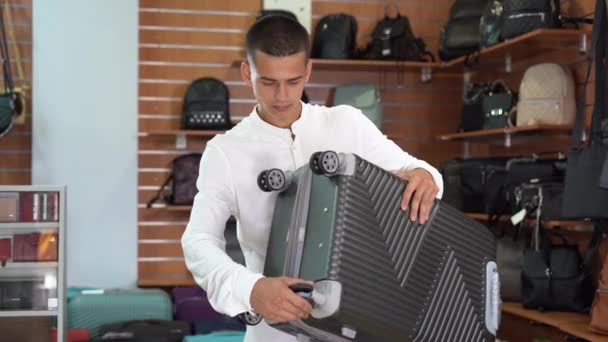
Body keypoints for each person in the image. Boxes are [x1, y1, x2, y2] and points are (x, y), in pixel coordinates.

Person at [181, 15, 443, 342]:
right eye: (268, 82)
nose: (281, 96)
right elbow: (198, 241)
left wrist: (425, 177)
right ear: (247, 73)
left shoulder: (348, 123)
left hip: (360, 326)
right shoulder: (224, 152)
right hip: (272, 333)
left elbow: (420, 173)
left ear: (308, 71)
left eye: (293, 81)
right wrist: (250, 288)